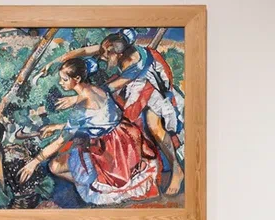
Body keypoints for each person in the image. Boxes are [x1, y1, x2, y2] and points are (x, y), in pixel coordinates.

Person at [46, 29, 185, 195]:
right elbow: (84, 51)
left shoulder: (134, 66)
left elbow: (108, 89)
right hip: (130, 84)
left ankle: (176, 168)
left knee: (153, 124)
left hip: (148, 82)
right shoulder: (115, 45)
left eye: (106, 56)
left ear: (118, 54)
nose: (102, 58)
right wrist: (56, 61)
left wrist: (77, 99)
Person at [17, 57, 160, 206]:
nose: (61, 83)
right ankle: (98, 184)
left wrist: (35, 162)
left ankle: (95, 189)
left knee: (54, 166)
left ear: (77, 79)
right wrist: (56, 126)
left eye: (65, 79)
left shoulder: (80, 109)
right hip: (126, 140)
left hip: (109, 152)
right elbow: (99, 121)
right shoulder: (100, 89)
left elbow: (60, 141)